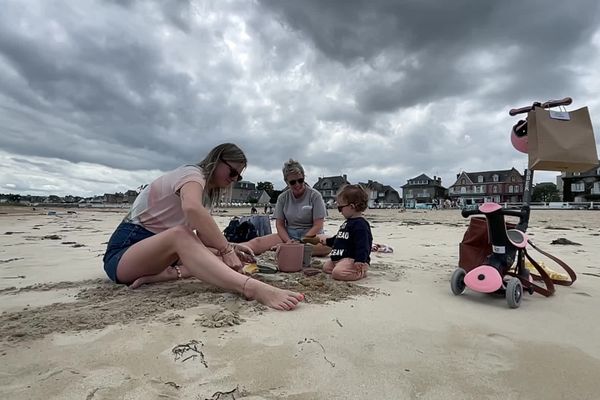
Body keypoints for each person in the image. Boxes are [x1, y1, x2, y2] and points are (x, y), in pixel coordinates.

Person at [102, 143, 303, 311]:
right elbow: (191, 209)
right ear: (216, 160)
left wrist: (232, 248)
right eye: (232, 172)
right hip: (123, 255)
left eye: (238, 177)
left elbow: (203, 238)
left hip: (152, 255)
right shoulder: (192, 174)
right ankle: (251, 288)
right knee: (182, 235)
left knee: (211, 256)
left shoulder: (204, 192)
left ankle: (158, 276)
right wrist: (226, 249)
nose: (233, 179)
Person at [243, 159, 330, 256]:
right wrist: (288, 241)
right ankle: (233, 249)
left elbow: (318, 225)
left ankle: (288, 249)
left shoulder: (315, 195)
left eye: (300, 180)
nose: (297, 185)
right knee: (257, 242)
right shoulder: (283, 197)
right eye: (293, 182)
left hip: (311, 236)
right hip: (289, 235)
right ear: (287, 182)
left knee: (328, 245)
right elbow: (279, 225)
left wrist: (302, 241)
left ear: (304, 177)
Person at [317, 184, 372, 281]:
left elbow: (364, 245)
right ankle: (343, 269)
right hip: (339, 258)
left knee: (338, 273)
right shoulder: (347, 223)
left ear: (351, 206)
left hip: (352, 259)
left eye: (340, 208)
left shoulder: (361, 225)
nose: (340, 212)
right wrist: (327, 241)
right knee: (326, 268)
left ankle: (360, 272)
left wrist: (360, 260)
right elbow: (340, 238)